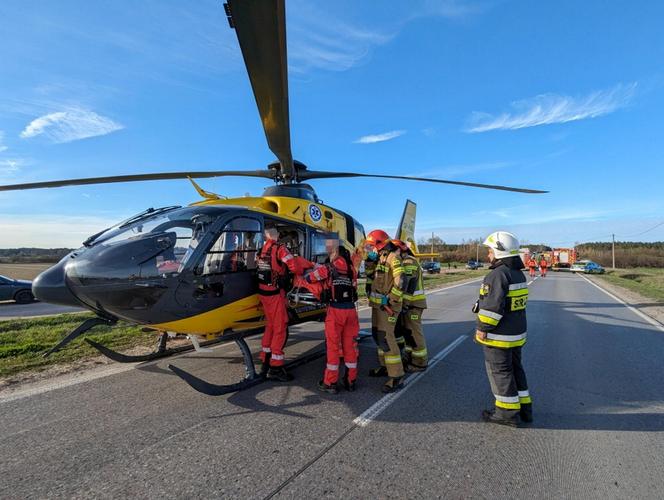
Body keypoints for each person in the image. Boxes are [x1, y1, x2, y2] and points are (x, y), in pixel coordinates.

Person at [474, 231, 531, 427]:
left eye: (490, 250)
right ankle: (524, 408)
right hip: (517, 334)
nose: (488, 254)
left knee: (500, 373)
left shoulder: (497, 275)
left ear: (499, 251)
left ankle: (506, 413)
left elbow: (491, 309)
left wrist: (482, 328)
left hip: (499, 336)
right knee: (516, 369)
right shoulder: (517, 273)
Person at [305, 236, 360, 394]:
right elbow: (354, 288)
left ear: (334, 251)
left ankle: (330, 382)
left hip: (335, 312)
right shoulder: (351, 270)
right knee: (350, 347)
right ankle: (351, 381)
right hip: (350, 311)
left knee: (333, 348)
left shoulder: (328, 268)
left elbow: (310, 278)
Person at [364, 229, 407, 393]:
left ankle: (397, 376)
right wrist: (369, 260)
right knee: (378, 336)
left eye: (372, 246)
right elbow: (370, 275)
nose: (370, 249)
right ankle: (385, 367)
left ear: (380, 244)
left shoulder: (393, 258)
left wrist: (390, 299)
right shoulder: (380, 258)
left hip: (387, 308)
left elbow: (401, 281)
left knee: (387, 339)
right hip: (377, 306)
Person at [256, 224, 300, 382]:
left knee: (270, 325)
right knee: (280, 327)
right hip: (275, 294)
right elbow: (294, 266)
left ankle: (265, 358)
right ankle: (276, 366)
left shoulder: (261, 250)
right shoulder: (279, 248)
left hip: (263, 293)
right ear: (277, 235)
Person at [393, 239, 428, 371]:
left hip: (413, 304)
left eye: (394, 251)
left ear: (400, 250)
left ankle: (420, 363)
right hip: (410, 304)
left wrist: (405, 304)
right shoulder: (405, 261)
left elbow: (409, 285)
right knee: (408, 333)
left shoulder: (409, 262)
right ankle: (409, 357)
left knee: (414, 333)